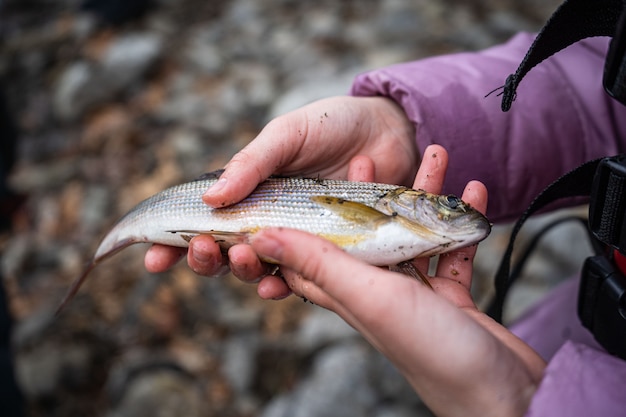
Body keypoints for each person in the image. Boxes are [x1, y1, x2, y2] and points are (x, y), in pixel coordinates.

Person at [144, 30, 626, 417]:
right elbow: (601, 76)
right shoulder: (393, 203)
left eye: (450, 210)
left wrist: (527, 403)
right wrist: (401, 124)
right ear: (409, 204)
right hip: (586, 316)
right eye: (447, 208)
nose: (456, 213)